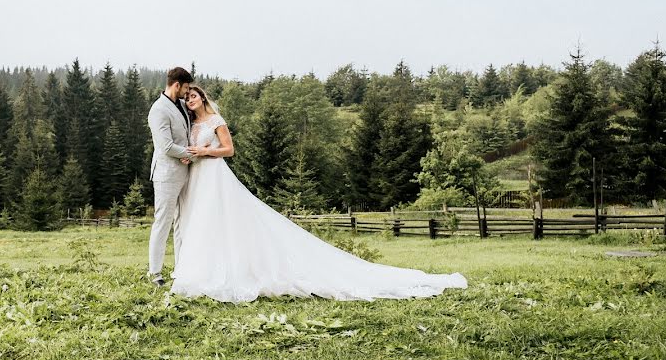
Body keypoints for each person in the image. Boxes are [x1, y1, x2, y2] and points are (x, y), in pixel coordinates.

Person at [169, 85, 467, 303]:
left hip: (216, 175)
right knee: (203, 223)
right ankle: (200, 270)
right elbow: (192, 148)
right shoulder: (193, 124)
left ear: (203, 97)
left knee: (221, 218)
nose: (189, 101)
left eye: (193, 96)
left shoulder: (216, 122)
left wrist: (206, 151)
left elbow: (229, 150)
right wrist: (189, 155)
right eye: (186, 98)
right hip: (198, 176)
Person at [146, 66, 195, 286]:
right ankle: (155, 272)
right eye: (185, 88)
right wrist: (191, 154)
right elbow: (165, 146)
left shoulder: (183, 106)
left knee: (182, 222)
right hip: (166, 174)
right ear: (176, 85)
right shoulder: (158, 110)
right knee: (163, 221)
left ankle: (182, 268)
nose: (187, 92)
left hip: (185, 173)